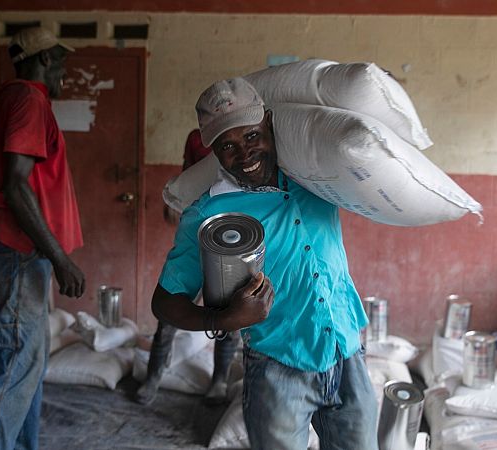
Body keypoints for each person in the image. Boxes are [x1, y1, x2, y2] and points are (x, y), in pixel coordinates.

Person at [150, 78, 378, 450]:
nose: (244, 154)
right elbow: (164, 301)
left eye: (252, 137)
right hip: (277, 369)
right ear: (214, 152)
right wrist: (222, 320)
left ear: (269, 124)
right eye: (228, 146)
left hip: (346, 353)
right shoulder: (209, 214)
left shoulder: (315, 175)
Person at [0, 27, 85, 450]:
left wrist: (0, 237)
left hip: (16, 251)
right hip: (19, 253)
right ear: (45, 60)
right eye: (61, 62)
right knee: (16, 363)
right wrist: (59, 258)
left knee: (26, 365)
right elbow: (15, 186)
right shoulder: (30, 100)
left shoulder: (12, 102)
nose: (64, 72)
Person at [136, 129, 239, 406]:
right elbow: (188, 176)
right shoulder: (196, 138)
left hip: (232, 234)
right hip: (197, 231)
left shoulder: (244, 140)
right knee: (172, 304)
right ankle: (153, 376)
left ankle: (219, 380)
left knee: (229, 313)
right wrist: (177, 200)